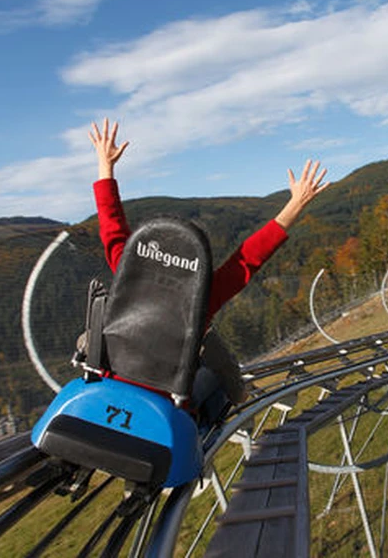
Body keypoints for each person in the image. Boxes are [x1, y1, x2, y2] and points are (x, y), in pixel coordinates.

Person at [87, 118, 329, 412]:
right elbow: (248, 258)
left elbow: (111, 226)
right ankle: (218, 421)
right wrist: (295, 204)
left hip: (113, 388)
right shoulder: (203, 295)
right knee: (216, 381)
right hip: (167, 407)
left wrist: (105, 166)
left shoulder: (128, 275)